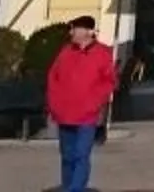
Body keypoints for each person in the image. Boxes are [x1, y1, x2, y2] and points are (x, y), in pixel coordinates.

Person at [46, 16, 120, 192]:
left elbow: (110, 81)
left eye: (75, 29)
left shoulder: (102, 53)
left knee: (81, 155)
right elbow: (53, 77)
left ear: (88, 31)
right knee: (67, 155)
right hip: (64, 113)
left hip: (87, 115)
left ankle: (76, 188)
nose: (71, 33)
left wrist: (95, 101)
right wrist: (53, 103)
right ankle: (67, 186)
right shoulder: (66, 52)